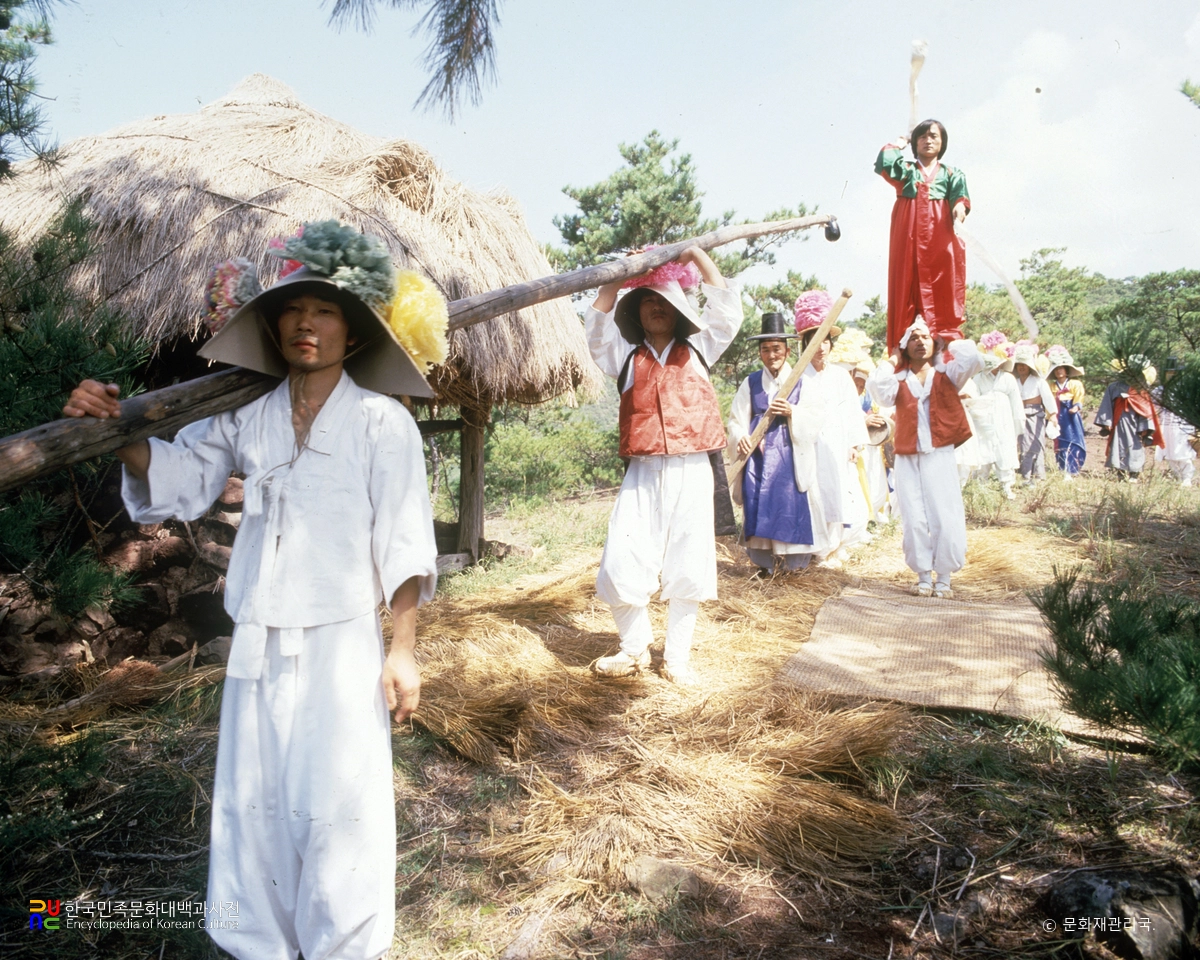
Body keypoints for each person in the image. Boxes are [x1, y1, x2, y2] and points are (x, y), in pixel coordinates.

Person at [62, 223, 439, 960]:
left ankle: (342, 947)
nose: (306, 323)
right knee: (252, 803)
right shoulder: (249, 416)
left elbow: (404, 541)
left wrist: (402, 649)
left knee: (339, 806)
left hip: (339, 642)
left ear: (354, 331)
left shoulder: (381, 423)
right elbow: (181, 475)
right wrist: (118, 429)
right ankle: (259, 946)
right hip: (258, 641)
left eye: (325, 310)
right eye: (293, 308)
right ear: (271, 324)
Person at [585, 247, 739, 686]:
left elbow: (726, 309)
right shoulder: (625, 358)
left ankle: (676, 659)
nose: (656, 308)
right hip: (643, 470)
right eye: (647, 301)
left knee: (689, 563)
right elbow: (596, 327)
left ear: (678, 309)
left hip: (692, 469)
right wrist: (624, 274)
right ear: (636, 311)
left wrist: (695, 254)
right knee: (620, 560)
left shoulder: (700, 349)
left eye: (664, 301)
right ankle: (634, 648)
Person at [868, 317, 983, 598]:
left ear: (935, 343)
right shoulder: (898, 380)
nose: (920, 342)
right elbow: (878, 391)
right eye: (913, 338)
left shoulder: (948, 374)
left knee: (944, 514)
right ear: (904, 347)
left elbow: (973, 359)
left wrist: (948, 337)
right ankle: (922, 576)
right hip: (908, 456)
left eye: (925, 337)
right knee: (914, 516)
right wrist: (892, 359)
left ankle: (944, 577)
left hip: (939, 453)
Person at [727, 312, 828, 575]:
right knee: (758, 502)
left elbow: (816, 417)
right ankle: (766, 566)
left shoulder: (802, 382)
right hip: (758, 457)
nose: (771, 355)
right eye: (765, 349)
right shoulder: (751, 383)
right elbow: (736, 419)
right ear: (760, 353)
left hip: (789, 455)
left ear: (787, 350)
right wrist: (741, 437)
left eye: (776, 349)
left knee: (789, 503)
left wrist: (793, 411)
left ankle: (794, 565)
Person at [875, 119, 970, 354]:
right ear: (915, 143)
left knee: (944, 284)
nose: (928, 141)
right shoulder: (907, 171)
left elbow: (960, 197)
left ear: (942, 142)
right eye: (922, 136)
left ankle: (945, 345)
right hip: (909, 237)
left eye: (934, 136)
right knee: (907, 284)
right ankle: (903, 349)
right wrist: (900, 142)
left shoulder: (951, 173)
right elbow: (885, 163)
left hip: (940, 237)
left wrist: (959, 207)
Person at [793, 290, 871, 566]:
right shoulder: (798, 376)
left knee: (838, 491)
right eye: (815, 340)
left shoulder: (840, 376)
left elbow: (851, 412)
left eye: (825, 340)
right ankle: (815, 548)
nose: (821, 347)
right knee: (813, 492)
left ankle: (835, 545)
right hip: (809, 444)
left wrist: (854, 443)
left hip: (837, 444)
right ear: (806, 343)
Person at [970, 333, 1023, 498]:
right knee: (983, 450)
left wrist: (1018, 422)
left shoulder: (1008, 378)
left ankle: (1006, 485)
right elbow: (972, 400)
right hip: (983, 420)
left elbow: (1016, 402)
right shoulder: (978, 379)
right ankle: (981, 485)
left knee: (1004, 450)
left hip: (1003, 419)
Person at [1095, 357, 1163, 482]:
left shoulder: (1141, 390)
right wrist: (1106, 422)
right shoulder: (1114, 387)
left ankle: (1134, 473)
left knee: (1135, 446)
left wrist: (1146, 428)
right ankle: (1120, 472)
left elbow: (1146, 409)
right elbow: (1107, 405)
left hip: (1136, 424)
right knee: (1117, 445)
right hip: (1118, 421)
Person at [1011, 341, 1056, 485]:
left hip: (1035, 414)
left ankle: (1038, 475)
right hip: (1018, 414)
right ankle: (1025, 475)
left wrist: (1053, 414)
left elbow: (1048, 398)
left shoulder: (1039, 381)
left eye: (1024, 365)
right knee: (1022, 444)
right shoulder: (1014, 381)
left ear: (1030, 366)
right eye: (1019, 365)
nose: (1021, 367)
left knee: (1035, 443)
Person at [1045, 345, 1087, 479]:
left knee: (1073, 440)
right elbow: (1048, 401)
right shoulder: (1051, 386)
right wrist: (1050, 416)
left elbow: (1079, 398)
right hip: (1057, 415)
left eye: (1061, 368)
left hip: (1070, 416)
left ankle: (1073, 468)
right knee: (1060, 442)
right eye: (1056, 369)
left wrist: (1076, 407)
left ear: (1066, 370)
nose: (1059, 371)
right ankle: (1063, 468)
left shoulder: (1075, 384)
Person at [1154, 359, 1196, 486]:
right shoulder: (1161, 390)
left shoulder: (1185, 389)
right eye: (1168, 373)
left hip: (1182, 423)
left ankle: (1187, 477)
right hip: (1166, 423)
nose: (1170, 375)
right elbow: (1153, 403)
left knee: (1182, 450)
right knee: (1168, 450)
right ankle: (1177, 475)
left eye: (1173, 373)